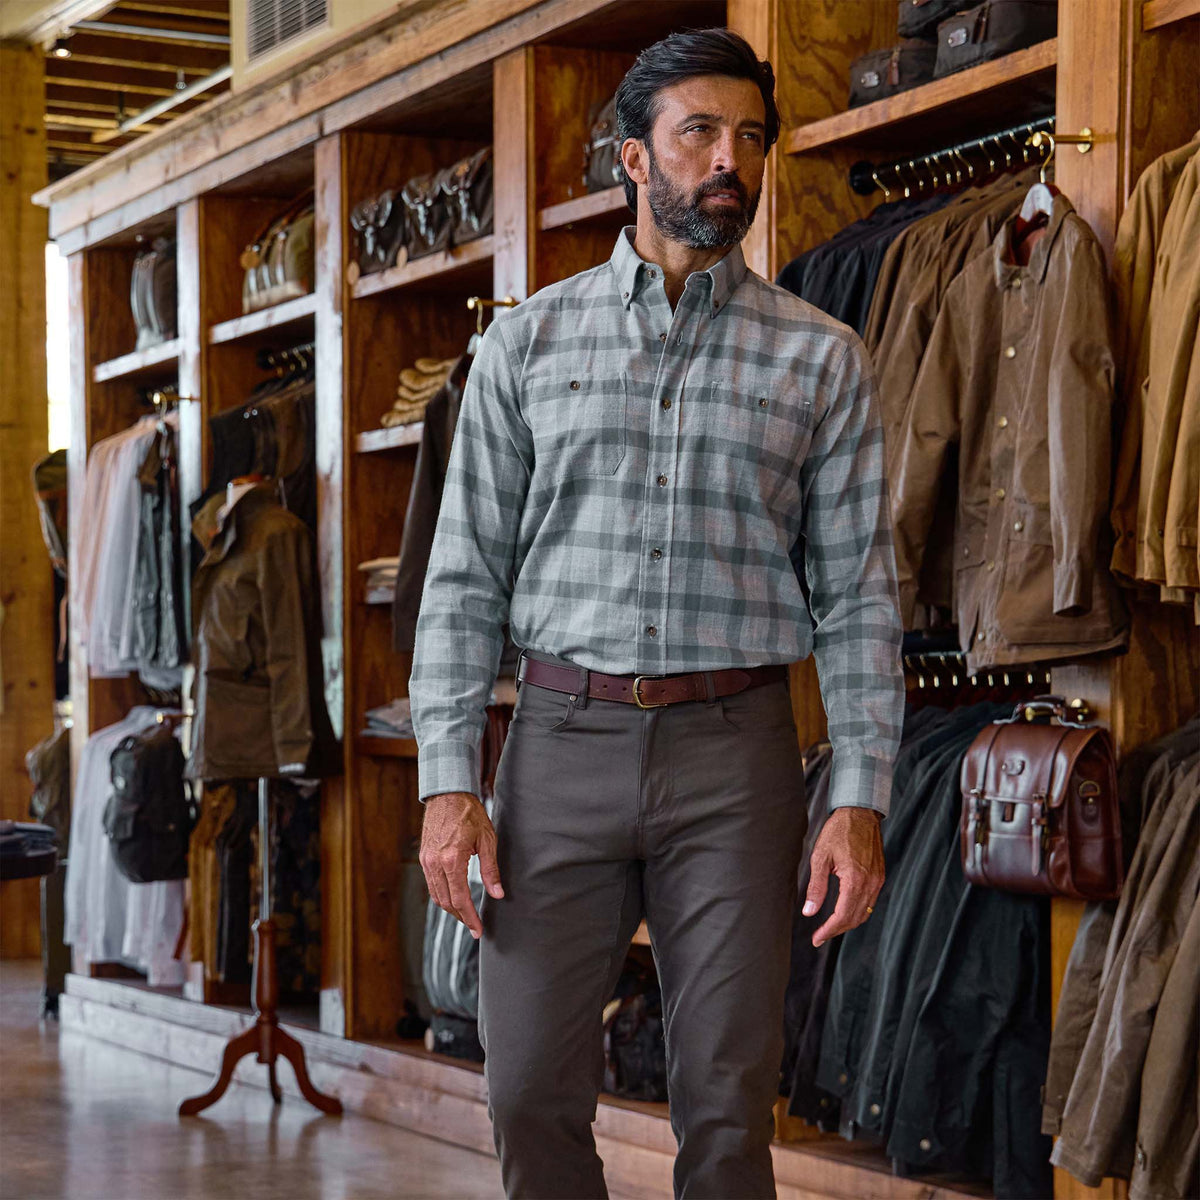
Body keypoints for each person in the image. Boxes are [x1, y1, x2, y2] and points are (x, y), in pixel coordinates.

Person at [409, 26, 903, 1199]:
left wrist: (862, 797)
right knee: (526, 1086)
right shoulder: (524, 345)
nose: (728, 159)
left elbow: (860, 598)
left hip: (736, 755)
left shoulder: (822, 360)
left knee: (728, 1109)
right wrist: (446, 782)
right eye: (698, 134)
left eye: (749, 139)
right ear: (633, 157)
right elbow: (462, 577)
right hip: (558, 751)